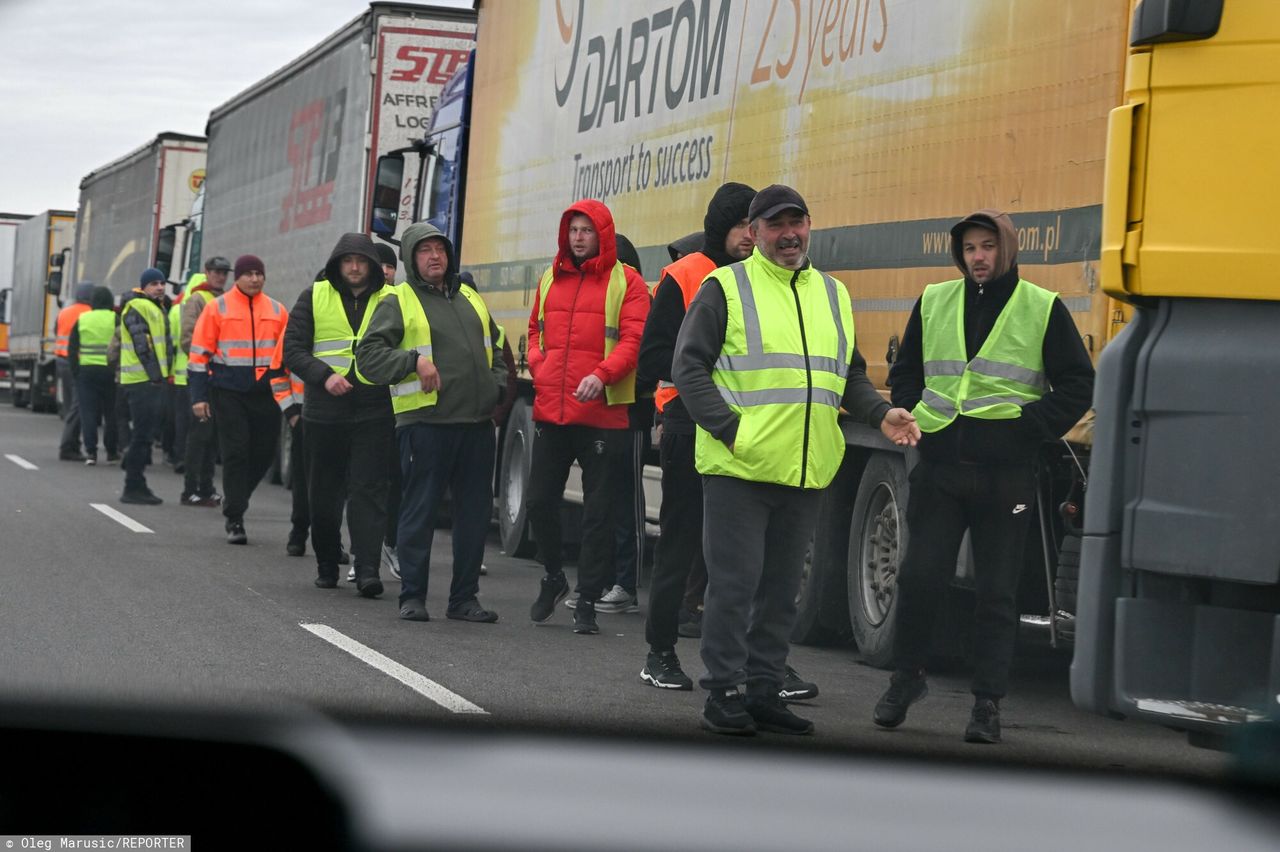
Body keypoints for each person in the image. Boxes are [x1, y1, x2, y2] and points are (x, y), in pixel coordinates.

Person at [673, 185, 920, 736]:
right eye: (776, 225)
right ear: (755, 232)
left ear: (810, 226)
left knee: (783, 592)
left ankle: (763, 690)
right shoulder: (725, 288)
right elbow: (688, 369)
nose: (789, 235)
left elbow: (848, 374)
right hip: (739, 469)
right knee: (735, 588)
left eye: (798, 222)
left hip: (804, 469)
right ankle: (723, 693)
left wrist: (881, 414)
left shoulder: (831, 293)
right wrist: (732, 430)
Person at [872, 209, 1095, 744]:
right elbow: (906, 373)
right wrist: (910, 414)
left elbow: (1077, 384)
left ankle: (987, 704)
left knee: (997, 594)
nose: (979, 257)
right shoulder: (934, 300)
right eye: (970, 248)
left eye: (988, 248)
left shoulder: (1042, 307)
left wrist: (1029, 428)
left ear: (1008, 250)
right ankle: (907, 679)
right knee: (920, 578)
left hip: (1006, 476)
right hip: (942, 469)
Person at [356, 222, 507, 623]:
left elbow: (497, 346)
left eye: (440, 248)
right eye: (424, 251)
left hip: (475, 425)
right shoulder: (398, 301)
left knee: (474, 517)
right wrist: (412, 361)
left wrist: (497, 389)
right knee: (419, 513)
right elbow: (368, 358)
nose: (434, 256)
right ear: (410, 258)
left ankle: (463, 600)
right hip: (425, 424)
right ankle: (413, 596)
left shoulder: (471, 297)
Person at [636, 181, 755, 690]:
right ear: (718, 227)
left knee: (745, 554)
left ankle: (758, 659)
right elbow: (652, 358)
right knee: (681, 546)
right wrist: (706, 371)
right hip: (689, 425)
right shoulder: (684, 275)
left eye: (756, 226)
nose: (750, 237)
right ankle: (659, 652)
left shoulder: (762, 278)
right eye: (740, 226)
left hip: (746, 431)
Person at [524, 200, 649, 635]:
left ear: (603, 234)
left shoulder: (627, 282)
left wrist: (602, 374)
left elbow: (634, 340)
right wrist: (539, 366)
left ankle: (588, 600)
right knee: (538, 501)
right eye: (573, 230)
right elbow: (534, 331)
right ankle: (554, 576)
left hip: (603, 414)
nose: (578, 237)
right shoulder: (549, 277)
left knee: (599, 515)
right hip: (553, 411)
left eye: (586, 230)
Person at [283, 233, 394, 597]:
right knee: (324, 494)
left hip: (374, 410)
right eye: (348, 261)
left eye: (362, 261)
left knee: (369, 493)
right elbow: (293, 350)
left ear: (373, 266)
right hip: (324, 412)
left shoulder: (392, 299)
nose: (355, 267)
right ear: (337, 264)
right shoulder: (314, 296)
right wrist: (323, 377)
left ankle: (366, 570)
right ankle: (328, 562)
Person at [188, 254, 296, 544]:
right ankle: (235, 518)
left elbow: (288, 356)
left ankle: (236, 498)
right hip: (228, 392)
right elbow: (198, 356)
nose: (254, 279)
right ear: (237, 277)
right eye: (248, 274)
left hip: (266, 394)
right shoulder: (216, 308)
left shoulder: (277, 310)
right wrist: (198, 396)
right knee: (236, 452)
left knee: (262, 455)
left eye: (259, 274)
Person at [178, 257, 232, 507]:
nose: (220, 276)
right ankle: (190, 490)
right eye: (216, 272)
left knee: (211, 438)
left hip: (221, 379)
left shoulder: (226, 301)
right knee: (199, 436)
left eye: (224, 272)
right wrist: (212, 355)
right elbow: (187, 339)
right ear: (207, 273)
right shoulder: (197, 300)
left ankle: (207, 488)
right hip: (203, 376)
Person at [116, 268, 173, 504]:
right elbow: (143, 346)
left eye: (162, 283)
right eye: (154, 284)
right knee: (142, 436)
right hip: (142, 380)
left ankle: (137, 483)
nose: (160, 287)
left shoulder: (153, 307)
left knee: (145, 435)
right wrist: (156, 376)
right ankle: (132, 486)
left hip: (148, 380)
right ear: (143, 287)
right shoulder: (138, 307)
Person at [371, 240, 403, 582]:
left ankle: (391, 544)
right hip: (362, 405)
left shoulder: (404, 301)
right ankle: (362, 555)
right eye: (378, 264)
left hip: (398, 407)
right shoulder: (359, 301)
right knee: (366, 484)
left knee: (396, 482)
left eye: (390, 265)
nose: (384, 270)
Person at [67, 285, 118, 466]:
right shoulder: (116, 319)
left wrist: (76, 372)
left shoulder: (83, 319)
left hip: (87, 372)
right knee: (111, 412)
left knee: (88, 413)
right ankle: (111, 452)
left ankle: (91, 453)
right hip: (110, 371)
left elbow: (72, 349)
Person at [54, 282, 95, 461]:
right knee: (78, 406)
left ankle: (73, 445)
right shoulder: (89, 314)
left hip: (61, 361)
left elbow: (57, 331)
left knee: (70, 405)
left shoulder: (64, 312)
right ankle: (67, 446)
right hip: (77, 363)